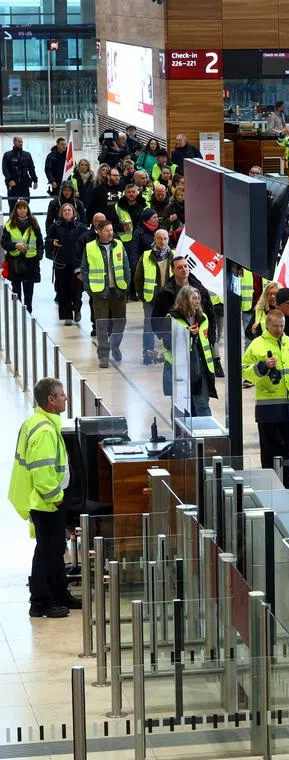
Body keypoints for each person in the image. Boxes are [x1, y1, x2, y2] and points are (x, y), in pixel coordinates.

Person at [9, 378, 79, 618]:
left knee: (55, 549)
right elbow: (42, 474)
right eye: (62, 395)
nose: (65, 398)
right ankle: (40, 602)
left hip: (46, 500)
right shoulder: (45, 431)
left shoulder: (40, 421)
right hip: (46, 502)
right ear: (50, 400)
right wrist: (57, 498)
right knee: (47, 552)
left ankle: (60, 593)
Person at [242, 309, 289, 493]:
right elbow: (244, 372)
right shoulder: (257, 345)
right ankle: (270, 482)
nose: (279, 329)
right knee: (270, 447)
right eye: (275, 326)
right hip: (268, 407)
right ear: (267, 325)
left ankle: (288, 481)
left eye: (282, 326)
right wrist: (261, 367)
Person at [161, 285, 217, 415]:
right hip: (180, 369)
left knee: (202, 404)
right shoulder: (172, 318)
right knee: (181, 406)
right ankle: (181, 434)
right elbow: (167, 343)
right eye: (194, 298)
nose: (197, 301)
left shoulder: (203, 318)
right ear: (184, 299)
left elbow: (206, 341)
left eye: (198, 298)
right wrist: (186, 334)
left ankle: (204, 433)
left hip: (200, 368)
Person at [81, 219, 129, 368]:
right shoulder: (89, 247)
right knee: (101, 324)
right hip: (99, 291)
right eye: (107, 230)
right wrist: (90, 289)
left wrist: (126, 286)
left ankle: (114, 345)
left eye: (111, 230)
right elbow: (85, 270)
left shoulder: (119, 245)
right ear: (98, 231)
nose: (110, 233)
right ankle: (103, 354)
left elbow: (126, 267)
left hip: (118, 290)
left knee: (120, 322)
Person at [133, 227, 173, 363]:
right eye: (160, 238)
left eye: (165, 238)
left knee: (168, 325)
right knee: (149, 325)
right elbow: (138, 278)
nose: (162, 241)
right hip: (150, 299)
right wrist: (142, 296)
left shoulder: (174, 255)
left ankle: (168, 353)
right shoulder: (145, 256)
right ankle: (147, 352)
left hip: (169, 299)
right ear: (154, 239)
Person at [47, 203, 87, 325]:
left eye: (69, 210)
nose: (67, 212)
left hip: (76, 263)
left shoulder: (81, 227)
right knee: (62, 291)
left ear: (74, 212)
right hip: (61, 263)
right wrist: (52, 242)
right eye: (65, 210)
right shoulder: (55, 226)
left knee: (77, 290)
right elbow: (47, 240)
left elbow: (86, 243)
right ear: (61, 213)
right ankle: (67, 316)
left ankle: (77, 309)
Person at [2, 199, 44, 309]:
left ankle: (28, 313)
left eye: (24, 208)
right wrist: (16, 245)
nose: (22, 210)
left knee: (29, 293)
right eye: (19, 208)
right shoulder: (9, 225)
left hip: (31, 262)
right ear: (16, 210)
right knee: (16, 292)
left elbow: (40, 242)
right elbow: (4, 243)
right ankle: (18, 314)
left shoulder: (34, 224)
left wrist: (39, 255)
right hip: (14, 262)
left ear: (27, 210)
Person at [2, 136, 38, 211]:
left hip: (24, 183)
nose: (21, 143)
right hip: (12, 184)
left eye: (21, 142)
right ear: (14, 142)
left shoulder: (27, 155)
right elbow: (4, 169)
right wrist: (9, 180)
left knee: (25, 206)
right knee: (12, 206)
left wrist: (35, 180)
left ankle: (25, 221)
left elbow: (31, 168)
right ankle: (12, 221)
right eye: (19, 142)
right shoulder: (7, 155)